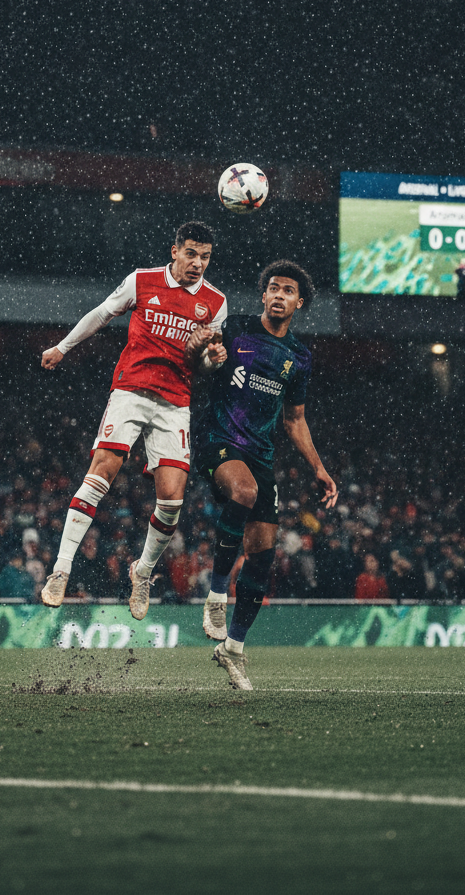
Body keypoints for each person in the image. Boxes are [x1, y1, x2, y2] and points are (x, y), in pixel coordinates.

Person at [39, 221, 228, 619]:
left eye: (205, 257)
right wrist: (63, 347)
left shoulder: (215, 302)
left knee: (172, 501)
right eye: (191, 254)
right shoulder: (142, 281)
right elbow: (101, 314)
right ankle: (61, 569)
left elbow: (204, 365)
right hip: (132, 390)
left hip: (175, 403)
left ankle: (141, 573)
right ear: (175, 251)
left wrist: (213, 359)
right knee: (101, 473)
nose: (197, 263)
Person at [194, 259, 338, 689]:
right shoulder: (235, 328)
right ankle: (216, 595)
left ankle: (233, 648)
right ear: (263, 295)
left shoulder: (299, 357)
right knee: (244, 491)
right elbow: (200, 361)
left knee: (262, 555)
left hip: (260, 453)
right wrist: (208, 355)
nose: (278, 295)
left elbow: (294, 419)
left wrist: (319, 467)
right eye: (273, 288)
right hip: (218, 438)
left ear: (299, 302)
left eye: (288, 291)